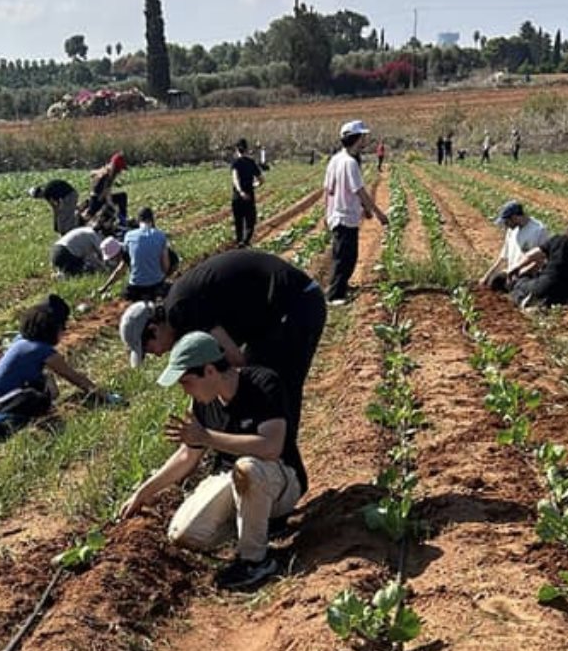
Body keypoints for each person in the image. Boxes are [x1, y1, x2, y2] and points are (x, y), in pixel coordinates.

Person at [119, 332, 305, 590]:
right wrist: (143, 492)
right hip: (233, 481)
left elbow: (272, 447)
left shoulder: (263, 384)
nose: (184, 390)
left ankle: (254, 560)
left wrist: (207, 437)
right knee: (183, 534)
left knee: (247, 468)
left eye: (186, 382)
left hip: (280, 479)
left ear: (209, 371)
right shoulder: (203, 404)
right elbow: (187, 456)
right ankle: (255, 526)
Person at [119, 249, 326, 440]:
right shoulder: (179, 311)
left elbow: (235, 359)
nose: (156, 355)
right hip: (273, 316)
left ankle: (281, 461)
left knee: (275, 385)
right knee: (258, 383)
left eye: (148, 349)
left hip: (296, 303)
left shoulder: (181, 312)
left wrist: (211, 419)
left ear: (154, 330)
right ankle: (264, 451)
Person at [0, 296, 111, 421]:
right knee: (38, 400)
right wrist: (105, 396)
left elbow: (52, 389)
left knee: (42, 384)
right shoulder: (41, 350)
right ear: (54, 327)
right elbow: (74, 377)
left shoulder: (21, 341)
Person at [323, 120, 389, 305]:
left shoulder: (336, 159)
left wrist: (326, 213)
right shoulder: (350, 163)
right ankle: (334, 295)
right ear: (356, 139)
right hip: (344, 216)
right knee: (344, 257)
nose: (365, 140)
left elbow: (327, 190)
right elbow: (360, 191)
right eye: (363, 137)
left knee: (345, 255)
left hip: (339, 215)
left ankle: (341, 286)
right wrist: (377, 213)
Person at [97, 207, 172, 301]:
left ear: (138, 220)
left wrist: (106, 286)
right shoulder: (160, 235)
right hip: (156, 284)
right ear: (152, 220)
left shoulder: (128, 236)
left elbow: (122, 268)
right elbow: (166, 266)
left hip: (135, 287)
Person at [478, 201, 549, 292]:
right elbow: (503, 258)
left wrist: (517, 276)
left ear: (515, 217)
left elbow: (540, 262)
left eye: (507, 222)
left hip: (527, 277)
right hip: (512, 275)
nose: (506, 226)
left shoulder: (539, 230)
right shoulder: (511, 231)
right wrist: (486, 276)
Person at [230, 139, 264, 247]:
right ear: (246, 149)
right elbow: (262, 179)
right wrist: (254, 185)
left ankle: (239, 241)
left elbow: (235, 179)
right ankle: (245, 241)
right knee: (250, 220)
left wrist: (240, 191)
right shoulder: (251, 162)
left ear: (237, 150)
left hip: (237, 197)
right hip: (249, 195)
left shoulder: (236, 163)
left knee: (238, 221)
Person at [83, 152, 129, 226]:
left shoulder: (103, 172)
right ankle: (123, 220)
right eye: (119, 169)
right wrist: (115, 209)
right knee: (122, 197)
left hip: (95, 199)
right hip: (98, 202)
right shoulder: (108, 177)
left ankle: (122, 218)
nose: (120, 172)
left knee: (121, 197)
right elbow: (107, 197)